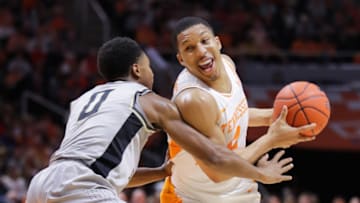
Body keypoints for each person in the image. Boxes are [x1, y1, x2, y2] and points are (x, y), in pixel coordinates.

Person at [25, 36, 298, 203]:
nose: (152, 72)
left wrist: (160, 172)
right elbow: (214, 155)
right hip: (82, 188)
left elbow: (107, 172)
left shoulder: (86, 99)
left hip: (43, 182)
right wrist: (265, 162)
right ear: (136, 68)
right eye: (148, 65)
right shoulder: (150, 101)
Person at [160, 16, 316, 203]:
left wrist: (279, 116)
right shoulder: (194, 100)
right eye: (189, 48)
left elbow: (234, 114)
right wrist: (271, 140)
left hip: (233, 189)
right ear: (181, 59)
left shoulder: (227, 64)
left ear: (218, 43)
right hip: (194, 198)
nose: (201, 51)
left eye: (204, 41)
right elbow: (217, 168)